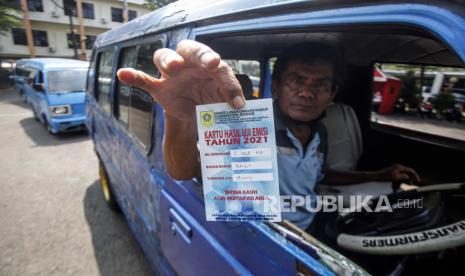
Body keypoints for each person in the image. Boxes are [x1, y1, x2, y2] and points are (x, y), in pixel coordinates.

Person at [117, 40, 420, 230]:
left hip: (312, 227)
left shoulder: (321, 132)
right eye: (296, 80)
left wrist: (382, 173)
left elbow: (321, 177)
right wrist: (180, 118)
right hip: (272, 236)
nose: (306, 92)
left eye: (320, 84)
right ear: (275, 88)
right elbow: (184, 170)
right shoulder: (247, 126)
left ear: (332, 94)